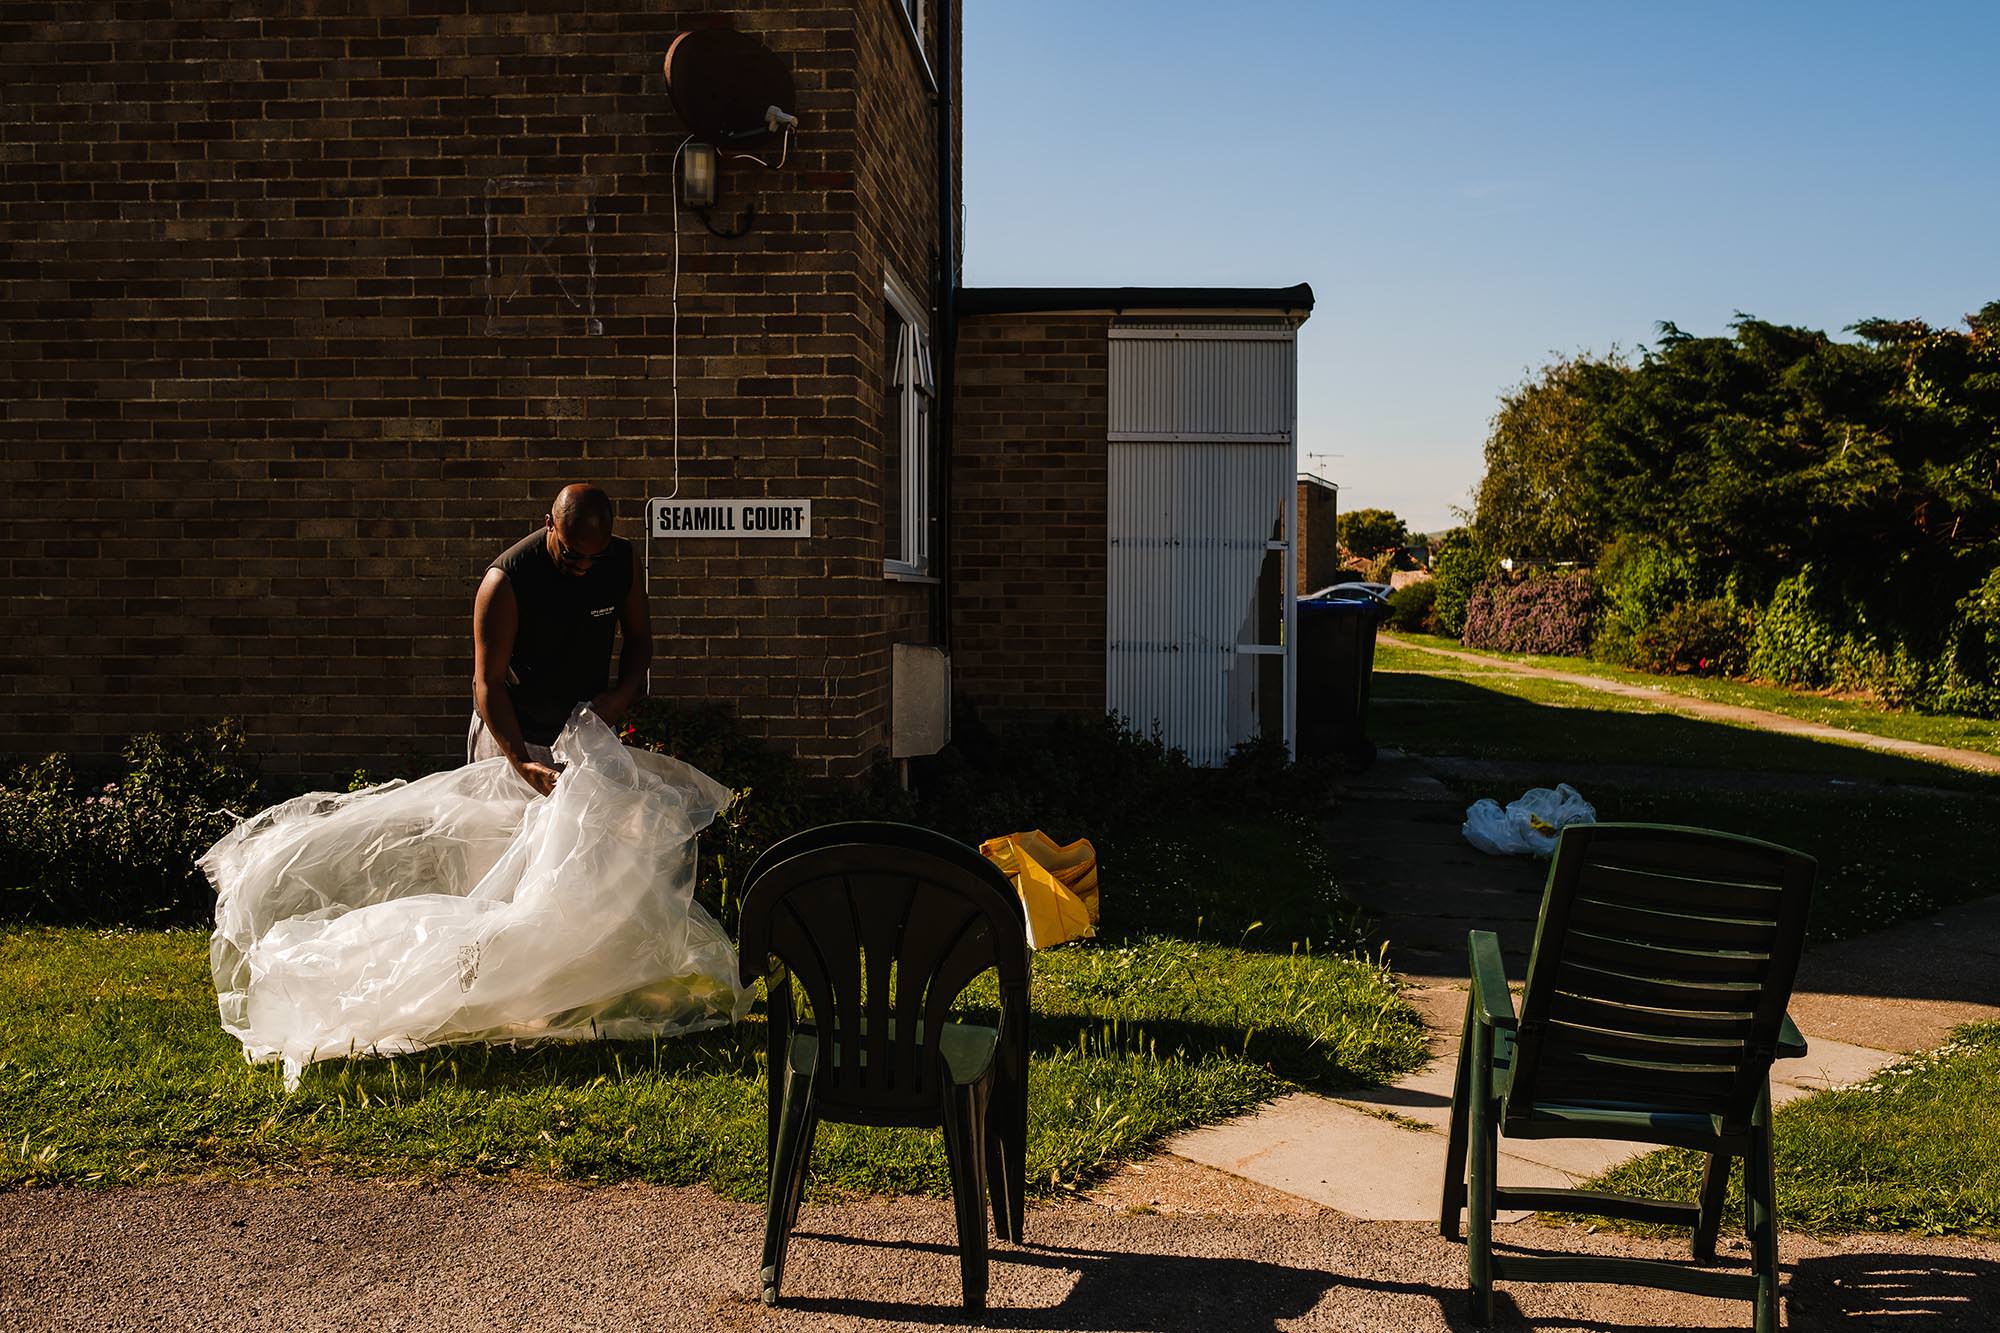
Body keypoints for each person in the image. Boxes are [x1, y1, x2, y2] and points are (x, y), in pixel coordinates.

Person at [470, 484, 650, 795]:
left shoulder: (622, 560)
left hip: (583, 736)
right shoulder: (506, 581)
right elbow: (488, 682)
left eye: (597, 556)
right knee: (503, 838)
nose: (584, 566)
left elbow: (640, 638)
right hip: (514, 738)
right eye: (572, 554)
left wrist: (623, 693)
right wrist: (523, 763)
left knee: (588, 838)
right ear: (549, 524)